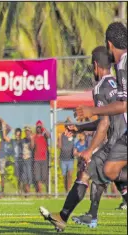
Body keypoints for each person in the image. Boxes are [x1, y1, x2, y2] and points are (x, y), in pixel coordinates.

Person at [40, 46, 127, 231]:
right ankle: (83, 216)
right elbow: (108, 120)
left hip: (116, 143)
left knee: (87, 169)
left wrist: (89, 149)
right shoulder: (118, 84)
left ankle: (67, 217)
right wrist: (80, 128)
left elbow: (104, 124)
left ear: (95, 65)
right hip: (122, 141)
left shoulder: (100, 87)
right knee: (97, 173)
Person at [76, 22, 127, 210]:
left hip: (118, 138)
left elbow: (111, 116)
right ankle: (90, 215)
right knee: (108, 170)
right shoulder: (117, 77)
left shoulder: (118, 70)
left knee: (96, 169)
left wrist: (92, 111)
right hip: (121, 138)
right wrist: (81, 127)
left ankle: (80, 215)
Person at [33, 120, 51, 195]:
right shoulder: (34, 137)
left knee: (44, 177)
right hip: (37, 159)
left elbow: (49, 135)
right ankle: (40, 193)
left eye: (40, 127)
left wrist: (43, 127)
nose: (39, 128)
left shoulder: (44, 136)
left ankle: (47, 192)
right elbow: (32, 146)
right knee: (38, 178)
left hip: (44, 159)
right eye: (38, 127)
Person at [58, 123, 76, 193]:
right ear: (66, 127)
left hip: (70, 159)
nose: (70, 127)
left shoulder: (73, 135)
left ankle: (69, 190)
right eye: (68, 126)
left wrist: (70, 121)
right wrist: (59, 138)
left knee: (70, 175)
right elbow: (59, 146)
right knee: (64, 176)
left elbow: (76, 129)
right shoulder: (61, 135)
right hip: (63, 159)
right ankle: (66, 190)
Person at [0, 118, 11, 194]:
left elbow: (9, 128)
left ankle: (2, 190)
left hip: (2, 156)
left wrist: (3, 121)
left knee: (2, 174)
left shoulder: (2, 133)